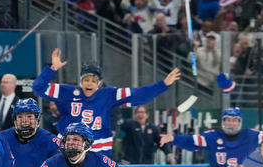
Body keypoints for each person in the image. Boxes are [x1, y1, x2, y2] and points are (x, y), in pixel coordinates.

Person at [34, 48, 180, 153]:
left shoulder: (109, 94)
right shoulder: (67, 92)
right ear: (81, 81)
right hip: (68, 149)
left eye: (93, 80)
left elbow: (138, 95)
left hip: (97, 151)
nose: (89, 83)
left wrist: (163, 84)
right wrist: (52, 68)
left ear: (99, 83)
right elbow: (38, 88)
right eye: (86, 80)